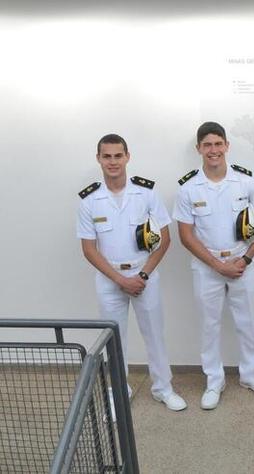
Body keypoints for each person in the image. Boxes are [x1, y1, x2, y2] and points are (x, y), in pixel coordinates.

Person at [77, 133, 187, 412]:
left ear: (128, 156)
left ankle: (163, 388)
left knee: (154, 334)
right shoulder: (89, 200)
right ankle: (118, 392)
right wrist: (120, 280)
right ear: (98, 159)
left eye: (118, 155)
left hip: (144, 276)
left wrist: (143, 276)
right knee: (114, 340)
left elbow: (165, 238)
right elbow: (89, 249)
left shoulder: (146, 193)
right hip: (109, 279)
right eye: (107, 156)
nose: (113, 161)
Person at [174, 121, 254, 410]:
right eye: (207, 145)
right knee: (209, 325)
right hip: (207, 268)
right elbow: (185, 235)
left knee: (248, 322)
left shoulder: (245, 182)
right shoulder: (188, 188)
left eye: (218, 144)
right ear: (199, 149)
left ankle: (250, 376)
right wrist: (217, 265)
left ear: (227, 146)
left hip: (242, 263)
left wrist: (244, 259)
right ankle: (213, 381)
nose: (213, 150)